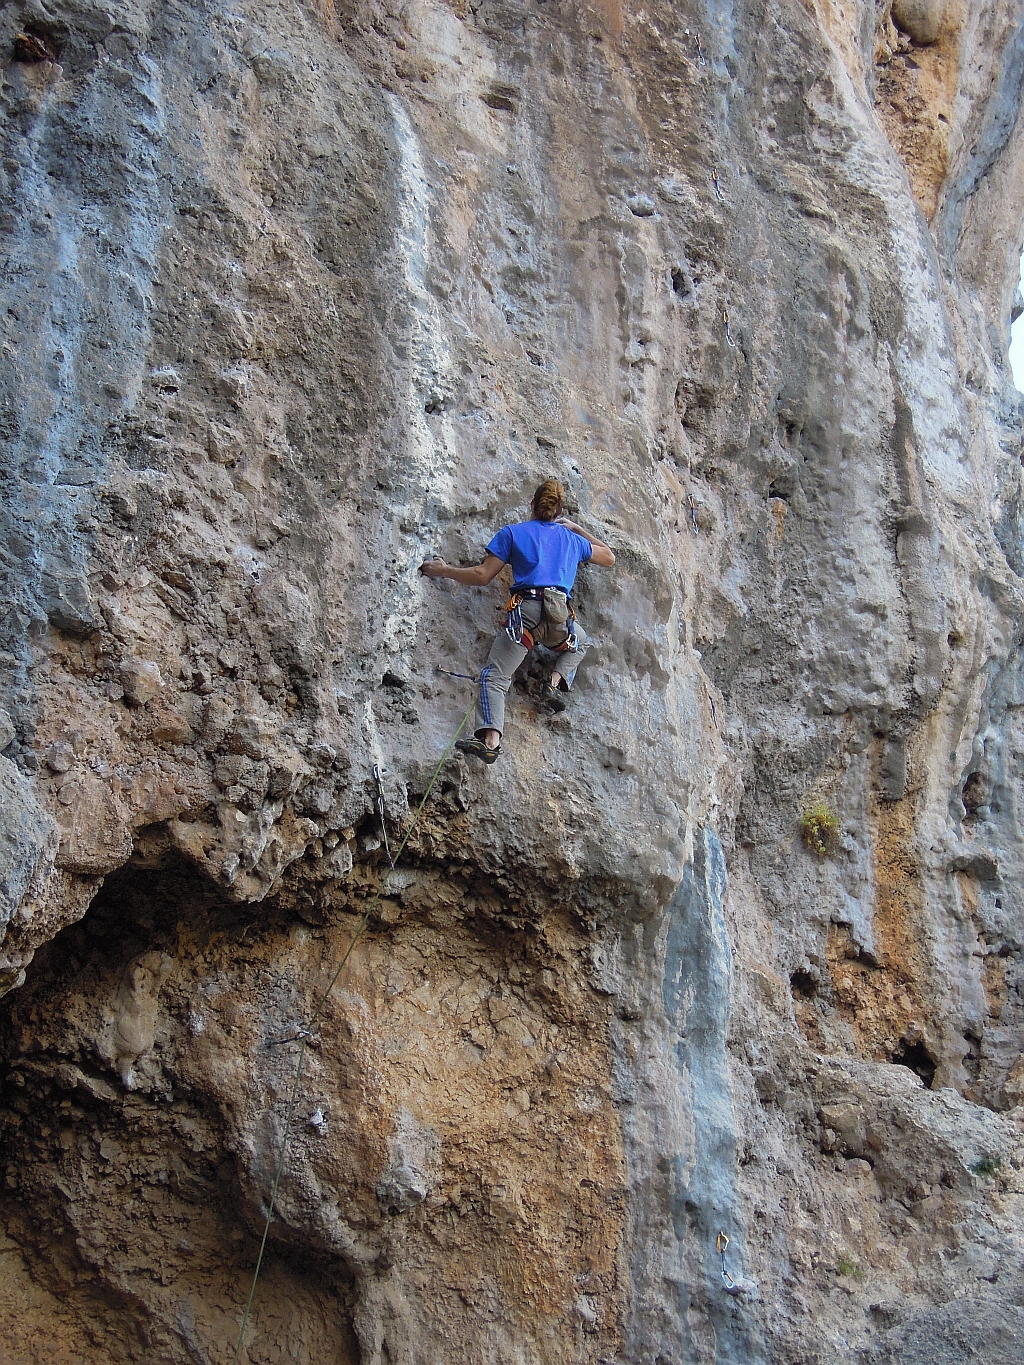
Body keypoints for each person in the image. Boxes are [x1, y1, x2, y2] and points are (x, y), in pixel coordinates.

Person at [419, 479, 615, 763]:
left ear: (532, 505)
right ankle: (554, 680)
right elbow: (608, 556)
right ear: (559, 510)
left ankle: (490, 740)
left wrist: (444, 570)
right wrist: (576, 528)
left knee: (495, 676)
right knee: (581, 642)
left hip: (527, 617)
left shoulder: (513, 533)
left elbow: (483, 576)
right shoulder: (572, 540)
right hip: (560, 620)